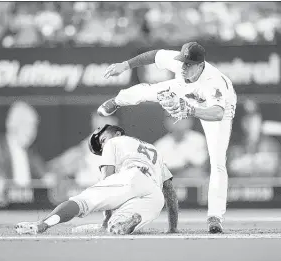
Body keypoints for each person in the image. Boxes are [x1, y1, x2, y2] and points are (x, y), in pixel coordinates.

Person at [97, 42, 237, 233]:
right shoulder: (180, 65)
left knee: (218, 161)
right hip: (186, 92)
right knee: (150, 90)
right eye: (183, 62)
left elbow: (218, 113)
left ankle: (215, 217)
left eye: (188, 64)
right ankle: (116, 101)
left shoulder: (213, 82)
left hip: (217, 107)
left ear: (200, 65)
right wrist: (125, 65)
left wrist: (190, 110)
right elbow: (154, 55)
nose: (184, 66)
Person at [15, 124, 179, 235]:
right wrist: (173, 228)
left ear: (117, 133)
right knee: (116, 226)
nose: (103, 145)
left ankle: (43, 224)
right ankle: (126, 221)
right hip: (155, 196)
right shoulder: (153, 150)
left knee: (82, 201)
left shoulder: (114, 142)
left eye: (102, 140)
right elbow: (170, 192)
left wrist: (104, 218)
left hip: (131, 175)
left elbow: (107, 178)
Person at [0, 101, 55, 206]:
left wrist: (50, 180)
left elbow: (46, 176)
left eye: (34, 126)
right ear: (12, 125)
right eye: (26, 125)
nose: (31, 132)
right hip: (1, 210)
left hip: (30, 208)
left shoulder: (31, 153)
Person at [48, 112, 119, 188]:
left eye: (103, 119)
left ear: (114, 122)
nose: (98, 122)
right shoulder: (87, 145)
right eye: (96, 119)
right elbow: (64, 162)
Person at [227, 99, 281, 177]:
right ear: (242, 122)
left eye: (255, 117)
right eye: (247, 118)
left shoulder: (272, 146)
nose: (251, 122)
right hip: (242, 188)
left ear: (260, 119)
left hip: (265, 188)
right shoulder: (233, 149)